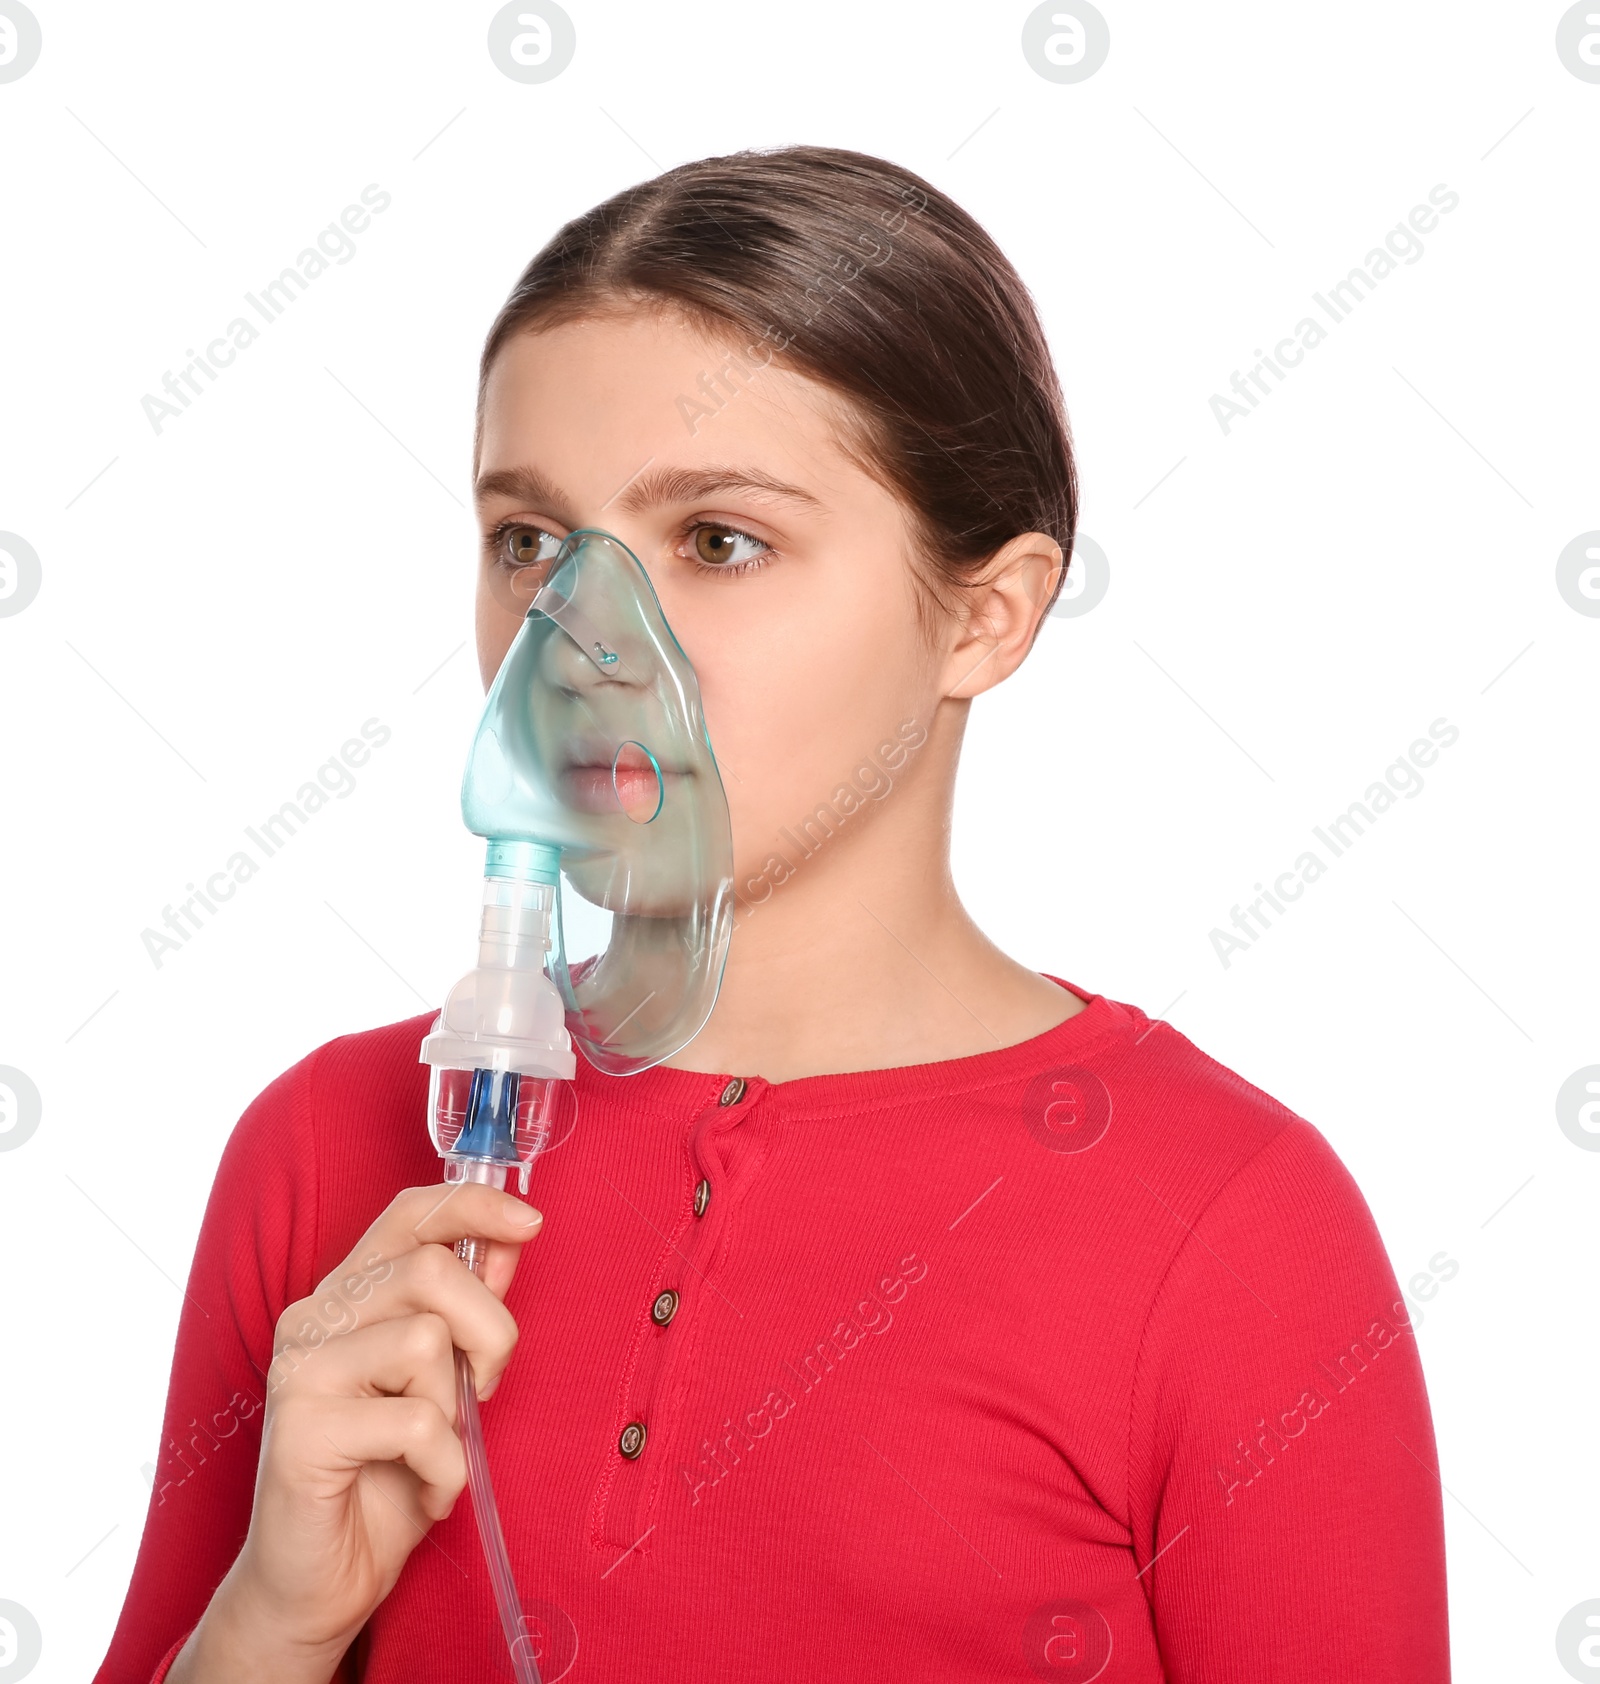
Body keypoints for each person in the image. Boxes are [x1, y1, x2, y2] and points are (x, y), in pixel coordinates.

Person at [94, 144, 1450, 1683]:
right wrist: (275, 1619)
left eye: (719, 542)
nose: (579, 643)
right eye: (530, 541)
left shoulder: (1228, 1230)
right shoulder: (337, 1147)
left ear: (986, 615)